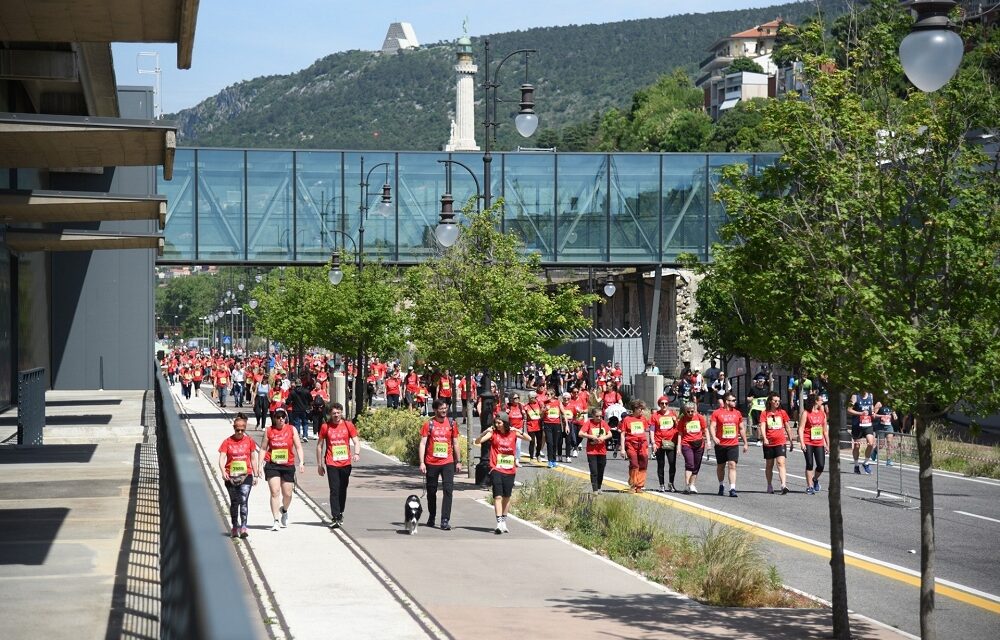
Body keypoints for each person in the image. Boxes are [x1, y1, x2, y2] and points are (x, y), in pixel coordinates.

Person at [475, 412, 530, 534]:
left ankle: (504, 521)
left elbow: (529, 438)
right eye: (496, 422)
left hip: (510, 470)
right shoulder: (493, 433)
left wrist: (517, 429)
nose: (497, 425)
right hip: (496, 468)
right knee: (498, 496)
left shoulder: (513, 433)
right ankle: (499, 523)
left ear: (505, 423)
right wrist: (485, 432)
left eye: (499, 423)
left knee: (507, 496)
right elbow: (477, 442)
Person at [418, 400, 462, 530]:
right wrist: (421, 462)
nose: (444, 411)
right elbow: (422, 444)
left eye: (445, 408)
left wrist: (458, 461)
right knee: (432, 491)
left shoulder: (452, 424)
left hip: (447, 462)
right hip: (431, 462)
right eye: (441, 409)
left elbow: (455, 443)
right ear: (435, 409)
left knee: (448, 491)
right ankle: (432, 515)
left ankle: (444, 520)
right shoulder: (429, 424)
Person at [316, 402, 360, 528]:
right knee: (334, 489)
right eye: (334, 413)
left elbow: (356, 441)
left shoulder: (348, 425)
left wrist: (356, 453)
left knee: (342, 489)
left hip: (345, 463)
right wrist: (319, 465)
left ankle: (340, 511)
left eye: (338, 413)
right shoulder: (326, 427)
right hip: (331, 462)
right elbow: (319, 446)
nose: (336, 415)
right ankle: (335, 516)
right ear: (330, 414)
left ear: (341, 413)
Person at [260, 408, 305, 531]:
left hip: (287, 465)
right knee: (275, 492)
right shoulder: (269, 430)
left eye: (283, 417)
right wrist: (259, 465)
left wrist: (301, 461)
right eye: (278, 417)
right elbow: (263, 448)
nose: (281, 419)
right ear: (274, 418)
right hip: (272, 465)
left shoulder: (292, 429)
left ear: (286, 417)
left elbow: (298, 446)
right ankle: (275, 520)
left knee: (288, 494)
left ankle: (284, 510)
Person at [218, 413, 260, 538]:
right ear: (234, 428)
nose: (240, 432)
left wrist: (256, 474)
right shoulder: (227, 442)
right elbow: (221, 458)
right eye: (238, 430)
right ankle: (235, 526)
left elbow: (253, 458)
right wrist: (223, 471)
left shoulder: (249, 441)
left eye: (243, 430)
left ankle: (244, 527)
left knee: (243, 499)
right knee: (234, 501)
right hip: (231, 476)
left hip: (246, 475)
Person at [711, 394, 749, 497]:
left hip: (733, 444)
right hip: (721, 444)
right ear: (727, 401)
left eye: (735, 400)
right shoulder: (717, 413)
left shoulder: (737, 413)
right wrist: (714, 437)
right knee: (721, 466)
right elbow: (712, 426)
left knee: (732, 465)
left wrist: (745, 442)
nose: (735, 402)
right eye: (733, 400)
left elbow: (741, 428)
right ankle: (721, 485)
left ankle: (732, 488)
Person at [759, 393, 794, 494]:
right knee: (769, 464)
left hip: (780, 441)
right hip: (769, 442)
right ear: (770, 401)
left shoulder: (782, 412)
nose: (777, 403)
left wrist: (791, 440)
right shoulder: (765, 413)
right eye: (775, 401)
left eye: (778, 401)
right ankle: (769, 484)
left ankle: (783, 485)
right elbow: (762, 426)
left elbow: (787, 427)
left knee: (781, 463)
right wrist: (764, 438)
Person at [798, 396, 829, 494]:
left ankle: (815, 479)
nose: (822, 401)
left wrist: (827, 444)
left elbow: (825, 431)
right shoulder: (806, 413)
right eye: (821, 400)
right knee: (810, 464)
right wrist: (802, 443)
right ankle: (810, 486)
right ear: (816, 401)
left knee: (821, 465)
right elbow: (801, 428)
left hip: (819, 442)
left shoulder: (822, 414)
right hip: (808, 441)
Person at [651, 395, 681, 492]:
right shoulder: (655, 415)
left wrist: (675, 420)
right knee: (661, 464)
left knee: (672, 463)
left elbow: (678, 427)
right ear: (659, 404)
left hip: (671, 442)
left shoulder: (673, 414)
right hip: (659, 442)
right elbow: (652, 430)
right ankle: (661, 484)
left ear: (668, 404)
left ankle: (671, 484)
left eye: (666, 403)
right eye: (662, 403)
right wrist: (653, 443)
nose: (664, 405)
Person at [620, 400, 650, 493]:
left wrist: (648, 445)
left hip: (642, 445)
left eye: (642, 409)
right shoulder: (627, 419)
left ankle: (639, 485)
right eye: (640, 409)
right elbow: (622, 434)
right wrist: (622, 449)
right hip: (631, 444)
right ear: (635, 409)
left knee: (643, 464)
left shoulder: (643, 419)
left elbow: (646, 431)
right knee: (634, 464)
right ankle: (633, 484)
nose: (642, 411)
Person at [579, 408, 611, 493]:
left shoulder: (603, 423)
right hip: (591, 451)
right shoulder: (589, 423)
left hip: (602, 450)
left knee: (601, 470)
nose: (599, 418)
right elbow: (580, 433)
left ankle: (599, 486)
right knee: (594, 471)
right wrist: (591, 437)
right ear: (593, 416)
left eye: (601, 416)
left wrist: (603, 437)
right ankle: (595, 489)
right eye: (597, 416)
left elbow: (610, 434)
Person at [680, 402, 708, 494]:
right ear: (685, 411)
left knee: (696, 466)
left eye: (692, 411)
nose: (690, 413)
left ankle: (692, 485)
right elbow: (680, 433)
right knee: (690, 464)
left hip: (699, 444)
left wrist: (709, 441)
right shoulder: (683, 419)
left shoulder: (700, 417)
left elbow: (705, 429)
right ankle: (687, 485)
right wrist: (678, 447)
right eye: (688, 412)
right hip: (687, 443)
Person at [848, 389, 879, 474]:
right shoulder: (855, 396)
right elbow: (849, 410)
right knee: (857, 446)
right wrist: (860, 413)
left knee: (871, 443)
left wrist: (873, 412)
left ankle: (866, 462)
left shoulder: (871, 396)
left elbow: (871, 407)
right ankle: (856, 465)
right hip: (857, 424)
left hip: (867, 424)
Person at [542, 391, 566, 467]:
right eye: (547, 394)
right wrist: (545, 409)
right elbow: (540, 414)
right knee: (549, 442)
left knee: (555, 443)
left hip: (557, 425)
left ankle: (554, 460)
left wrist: (567, 426)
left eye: (549, 394)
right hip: (547, 424)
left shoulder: (558, 402)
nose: (547, 395)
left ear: (553, 395)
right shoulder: (545, 402)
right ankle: (549, 460)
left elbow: (563, 413)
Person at [876, 395, 898, 466]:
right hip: (881, 426)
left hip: (889, 426)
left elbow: (894, 415)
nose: (888, 399)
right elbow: (873, 415)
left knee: (889, 442)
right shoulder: (879, 404)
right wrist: (881, 416)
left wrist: (895, 416)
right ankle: (875, 451)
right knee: (881, 445)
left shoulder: (891, 406)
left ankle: (889, 460)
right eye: (886, 398)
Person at [524, 390, 544, 462]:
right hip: (531, 425)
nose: (536, 398)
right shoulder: (526, 406)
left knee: (539, 442)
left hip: (538, 425)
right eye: (535, 397)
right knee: (532, 441)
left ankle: (538, 454)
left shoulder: (539, 404)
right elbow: (525, 416)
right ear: (531, 398)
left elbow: (542, 413)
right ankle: (531, 457)